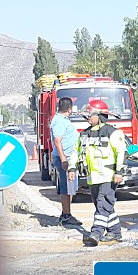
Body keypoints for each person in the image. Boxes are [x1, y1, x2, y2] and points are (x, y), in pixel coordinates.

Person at [68, 100, 126, 246]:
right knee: (105, 206)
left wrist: (119, 172)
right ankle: (115, 231)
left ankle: (96, 232)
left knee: (102, 204)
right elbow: (76, 152)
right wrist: (72, 168)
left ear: (100, 116)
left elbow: (121, 153)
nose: (88, 117)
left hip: (109, 176)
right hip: (92, 178)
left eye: (91, 114)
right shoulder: (84, 134)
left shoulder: (112, 132)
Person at [50, 97, 82, 226]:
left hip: (69, 158)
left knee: (70, 188)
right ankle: (66, 216)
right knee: (66, 188)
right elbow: (57, 141)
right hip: (65, 159)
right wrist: (64, 159)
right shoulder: (60, 121)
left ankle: (66, 213)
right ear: (69, 109)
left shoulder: (62, 119)